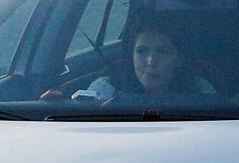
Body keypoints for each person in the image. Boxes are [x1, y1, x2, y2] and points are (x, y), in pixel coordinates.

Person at [74, 19, 215, 103]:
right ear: (132, 55)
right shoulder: (105, 89)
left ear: (179, 59)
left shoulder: (200, 91)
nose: (151, 61)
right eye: (142, 51)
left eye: (163, 52)